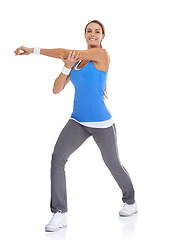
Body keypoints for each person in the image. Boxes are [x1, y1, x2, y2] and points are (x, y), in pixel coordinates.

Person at [14, 20, 138, 232]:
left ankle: (130, 201)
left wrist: (33, 50)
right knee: (57, 158)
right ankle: (59, 213)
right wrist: (66, 66)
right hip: (78, 121)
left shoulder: (102, 55)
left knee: (112, 163)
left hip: (101, 123)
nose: (93, 34)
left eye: (97, 32)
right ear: (84, 34)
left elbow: (64, 51)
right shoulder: (76, 61)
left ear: (102, 36)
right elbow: (56, 89)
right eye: (89, 31)